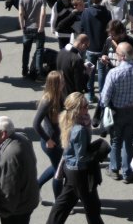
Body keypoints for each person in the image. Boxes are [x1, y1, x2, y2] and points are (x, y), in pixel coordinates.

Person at [47, 92, 106, 224]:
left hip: (70, 168)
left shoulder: (68, 120)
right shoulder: (80, 130)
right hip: (80, 172)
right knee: (92, 208)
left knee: (64, 204)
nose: (88, 107)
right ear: (77, 109)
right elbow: (82, 157)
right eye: (85, 106)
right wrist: (98, 152)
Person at [100, 41, 133, 183]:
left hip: (117, 110)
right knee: (128, 141)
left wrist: (105, 108)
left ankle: (114, 169)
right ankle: (127, 172)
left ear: (122, 56)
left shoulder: (114, 73)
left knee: (116, 140)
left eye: (117, 53)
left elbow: (104, 97)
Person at [0, 116, 40, 224]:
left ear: (3, 134)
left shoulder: (9, 156)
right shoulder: (22, 138)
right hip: (27, 201)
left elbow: (8, 189)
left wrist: (5, 211)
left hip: (16, 210)